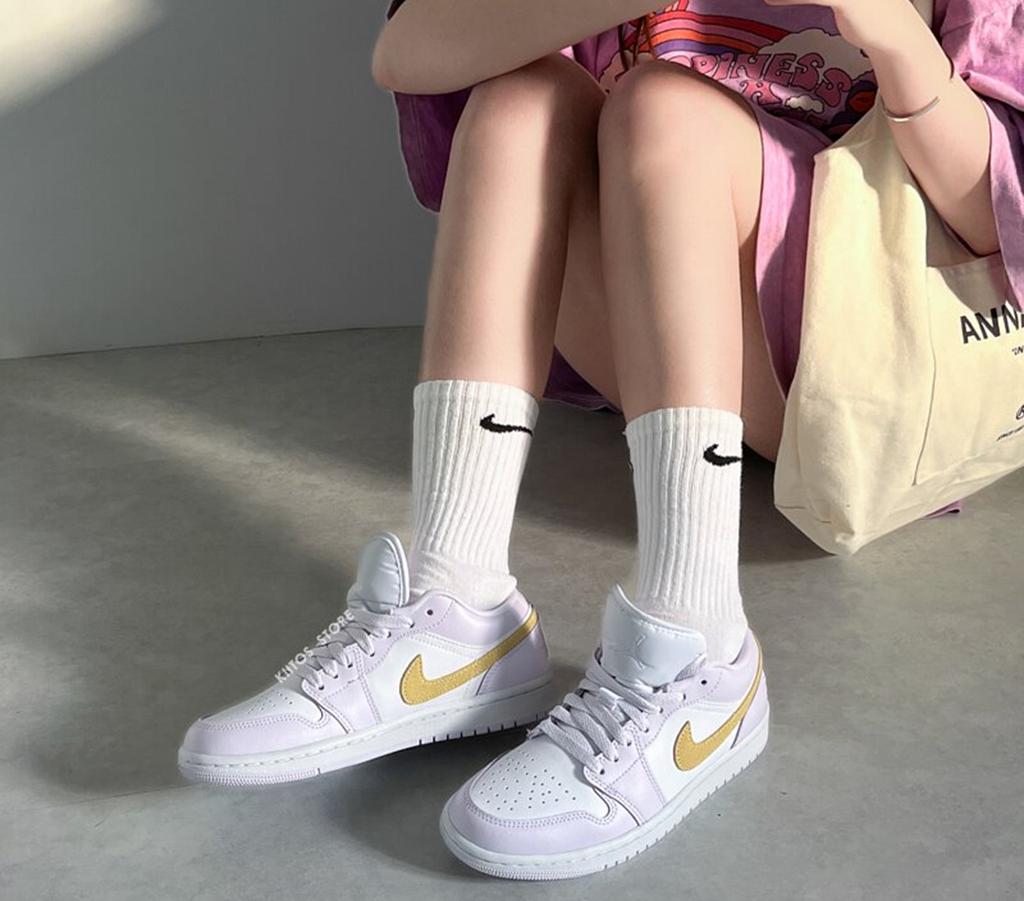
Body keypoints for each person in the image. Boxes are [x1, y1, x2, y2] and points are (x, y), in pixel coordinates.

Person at [178, 0, 1024, 880]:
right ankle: (456, 603)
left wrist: (888, 30)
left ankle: (699, 646)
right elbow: (409, 53)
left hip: (876, 362)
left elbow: (996, 219)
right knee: (520, 97)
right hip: (671, 347)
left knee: (667, 107)